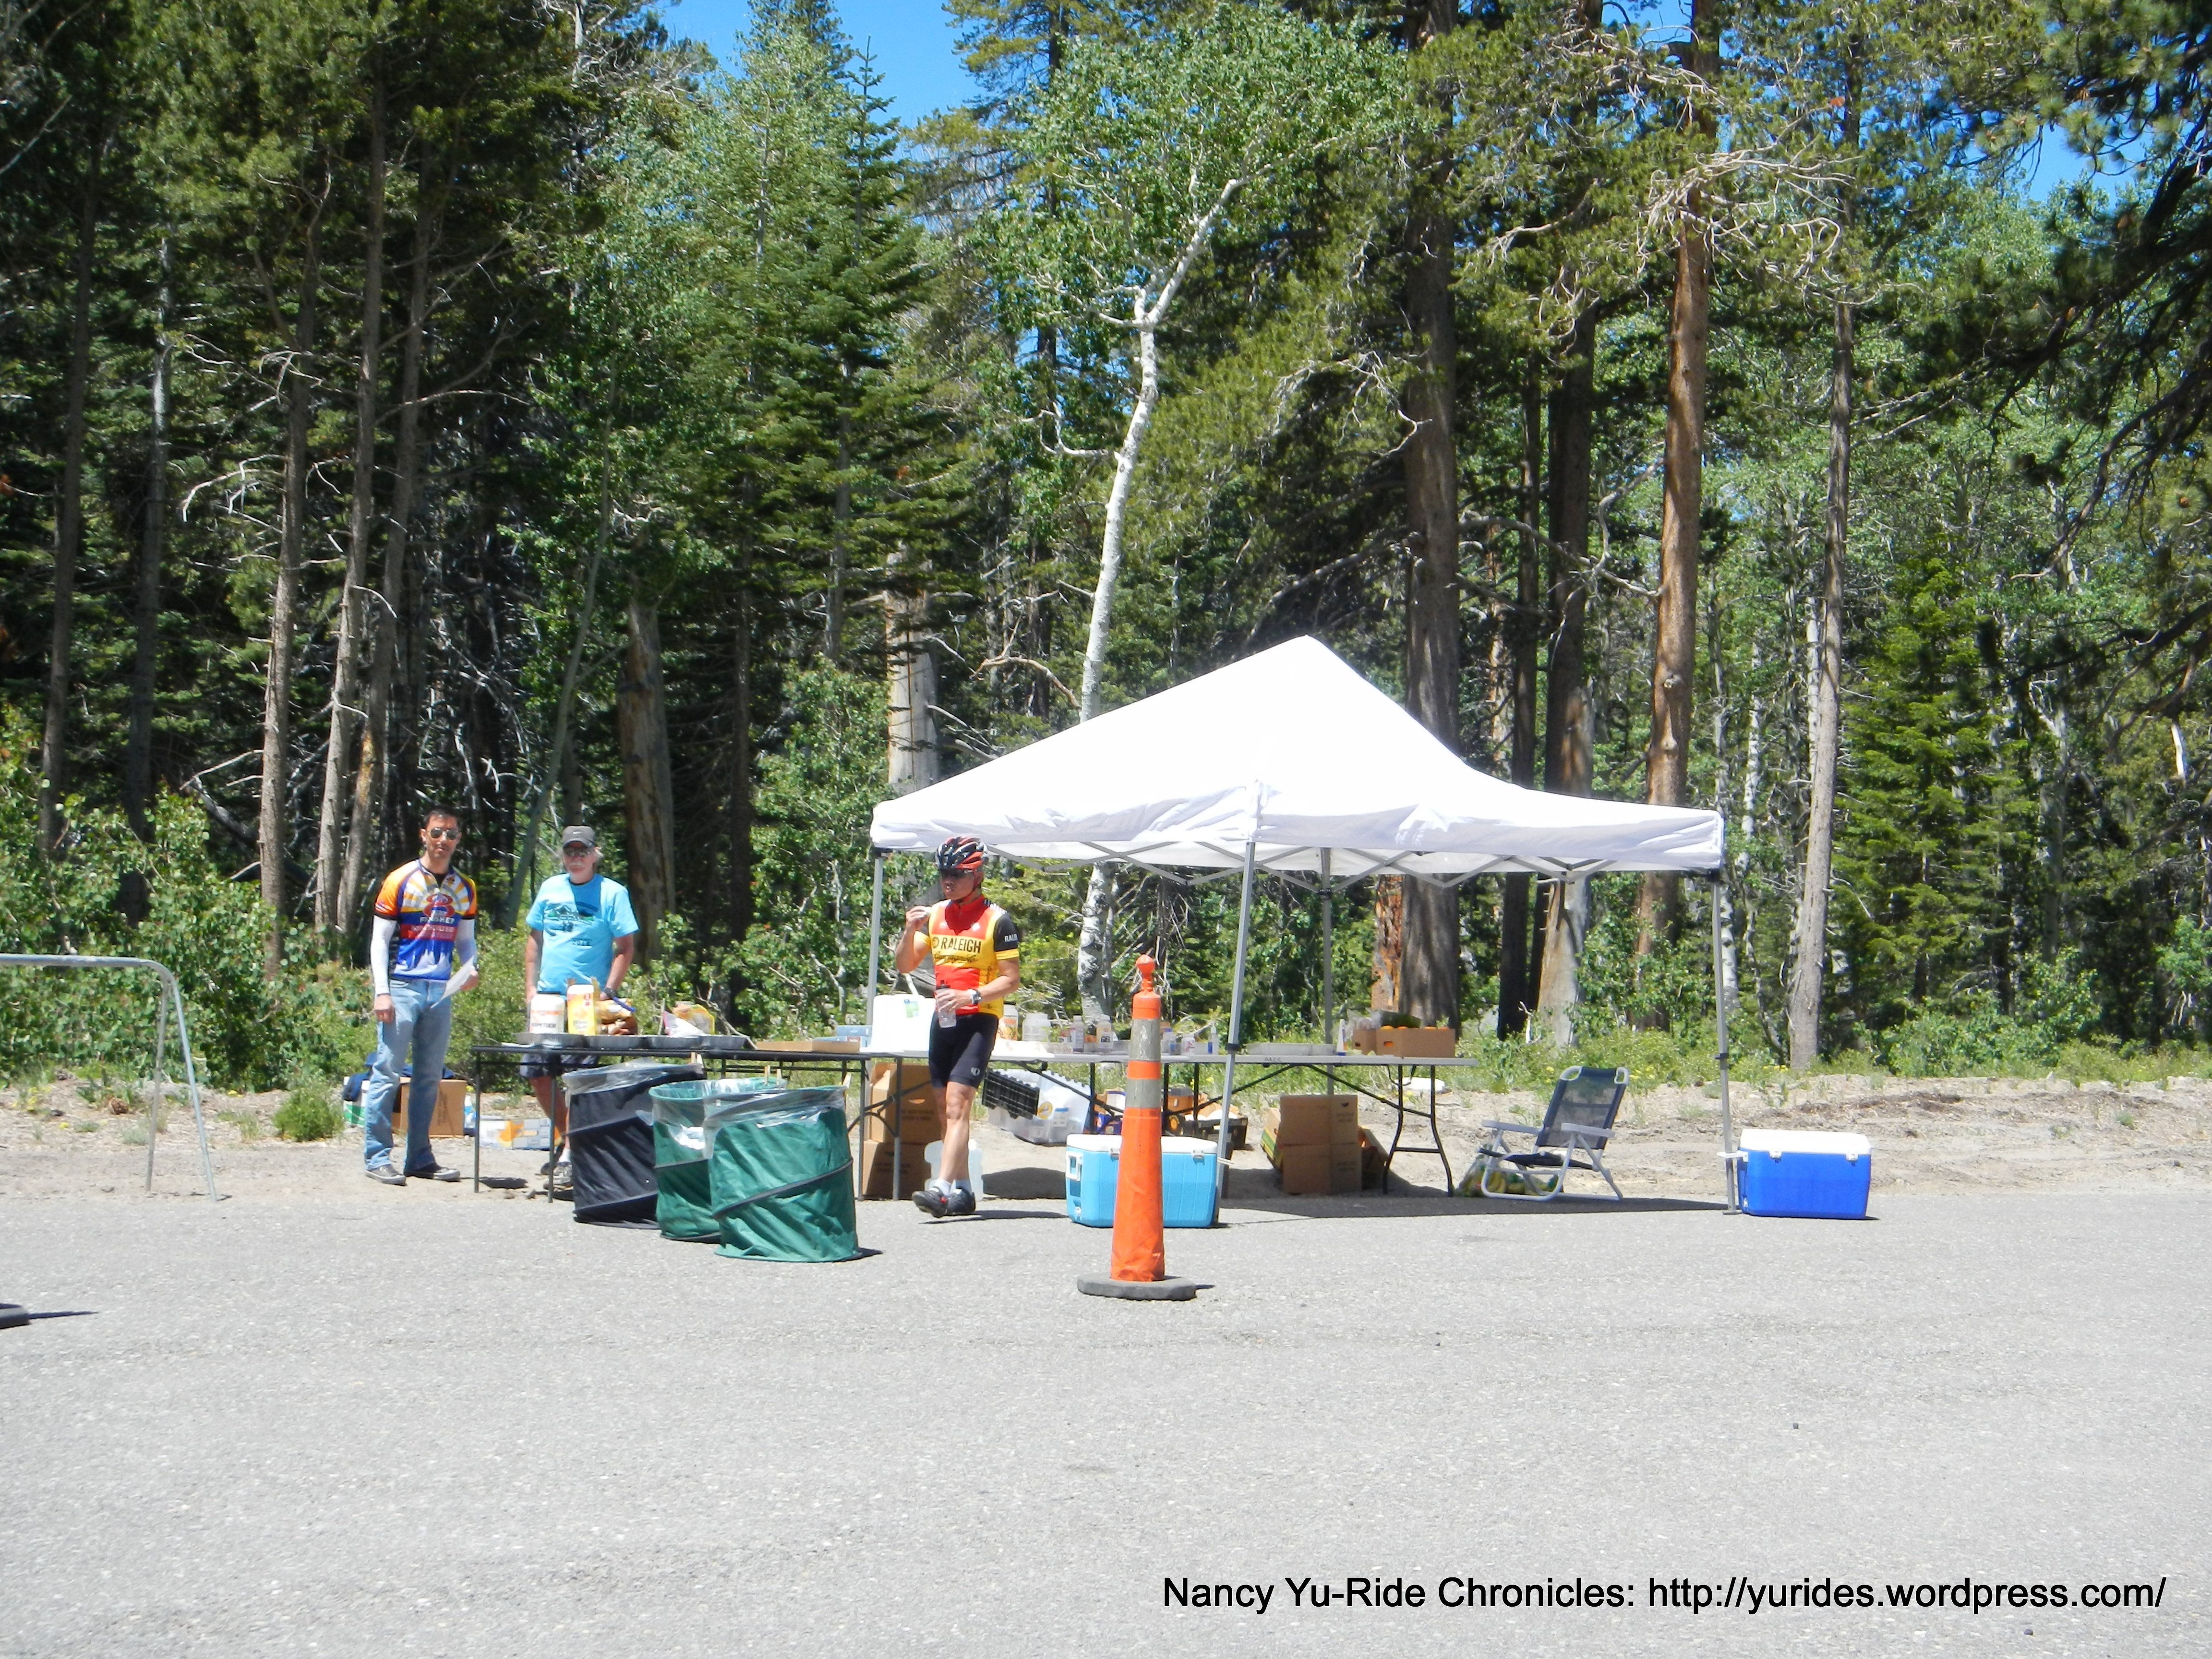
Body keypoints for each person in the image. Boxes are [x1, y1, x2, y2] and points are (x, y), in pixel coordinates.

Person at [892, 834, 1021, 1218]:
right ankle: (963, 1189)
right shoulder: (935, 915)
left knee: (957, 1104)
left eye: (957, 874)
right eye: (944, 873)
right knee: (942, 1107)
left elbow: (1011, 979)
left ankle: (941, 1187)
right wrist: (909, 930)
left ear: (977, 876)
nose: (948, 880)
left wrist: (973, 996)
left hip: (979, 1018)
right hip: (945, 1018)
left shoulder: (997, 920)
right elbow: (905, 965)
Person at [362, 805, 479, 1185]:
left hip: (441, 990)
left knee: (430, 1076)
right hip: (401, 987)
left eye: (451, 834)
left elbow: (466, 940)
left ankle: (420, 1157)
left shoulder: (465, 888)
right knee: (387, 1072)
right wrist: (382, 992)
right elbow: (380, 940)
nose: (444, 840)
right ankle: (377, 1156)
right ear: (424, 835)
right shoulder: (400, 880)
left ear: (458, 839)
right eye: (437, 833)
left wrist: (470, 967)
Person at [523, 826, 639, 1192]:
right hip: (548, 998)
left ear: (594, 854)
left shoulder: (612, 893)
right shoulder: (549, 888)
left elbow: (625, 947)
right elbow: (534, 939)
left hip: (586, 999)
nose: (576, 858)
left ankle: (572, 1156)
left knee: (579, 1079)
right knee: (538, 1073)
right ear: (563, 855)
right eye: (570, 851)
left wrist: (609, 992)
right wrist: (530, 990)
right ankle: (568, 1141)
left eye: (582, 851)